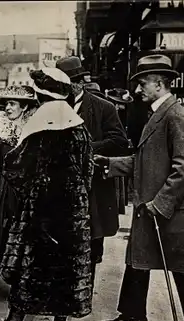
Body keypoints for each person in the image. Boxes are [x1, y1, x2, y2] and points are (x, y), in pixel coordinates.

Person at [96, 54, 184, 321]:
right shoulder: (159, 113)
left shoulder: (176, 116)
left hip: (173, 212)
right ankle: (133, 314)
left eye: (142, 83)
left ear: (160, 84)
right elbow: (145, 161)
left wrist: (160, 203)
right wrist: (108, 163)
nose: (137, 89)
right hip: (153, 209)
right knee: (138, 260)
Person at [0, 68, 94, 321]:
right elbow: (88, 171)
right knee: (65, 270)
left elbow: (14, 168)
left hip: (40, 212)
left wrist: (30, 195)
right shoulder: (80, 130)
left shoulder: (39, 132)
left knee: (27, 268)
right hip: (72, 216)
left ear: (42, 98)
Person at [56, 56, 128, 291]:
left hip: (93, 186)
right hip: (63, 185)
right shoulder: (54, 108)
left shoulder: (103, 107)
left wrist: (86, 146)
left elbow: (119, 141)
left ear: (77, 84)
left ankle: (85, 287)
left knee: (92, 239)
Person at [0, 85, 37, 273]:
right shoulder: (1, 129)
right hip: (3, 188)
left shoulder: (32, 131)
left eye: (13, 104)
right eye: (7, 104)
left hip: (24, 188)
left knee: (23, 235)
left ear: (25, 107)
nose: (8, 108)